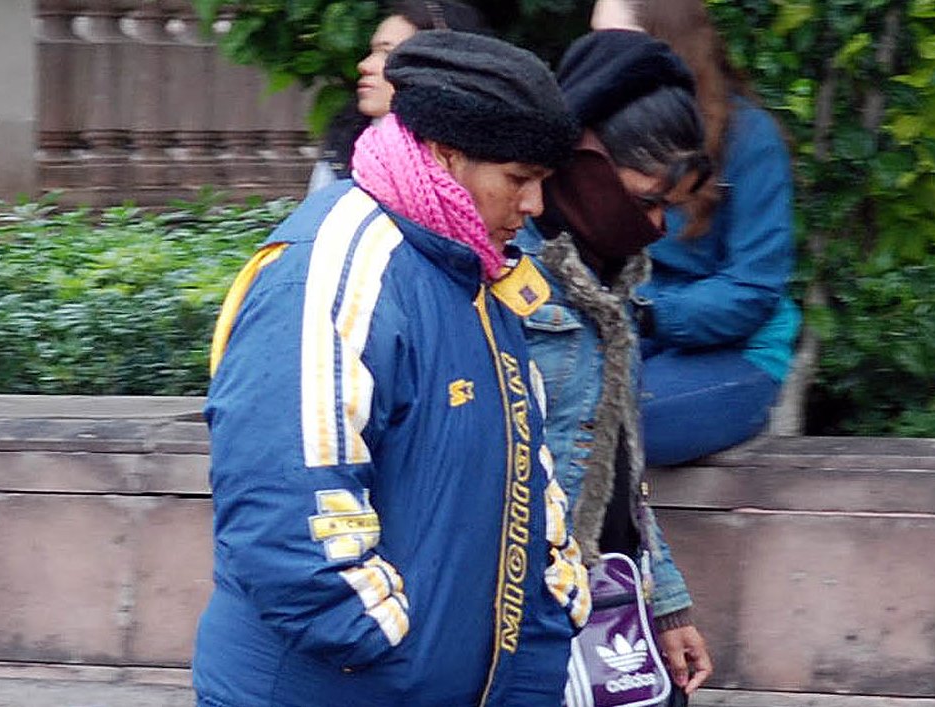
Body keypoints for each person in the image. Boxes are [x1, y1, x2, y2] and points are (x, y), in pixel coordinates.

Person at [194, 30, 590, 707]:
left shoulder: (472, 266)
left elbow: (527, 469)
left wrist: (551, 613)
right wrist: (383, 643)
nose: (534, 207)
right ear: (445, 154)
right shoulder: (331, 269)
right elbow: (284, 501)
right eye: (519, 179)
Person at [515, 30, 714, 701]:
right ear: (585, 160)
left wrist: (668, 606)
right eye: (645, 199)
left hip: (612, 608)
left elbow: (620, 468)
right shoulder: (503, 270)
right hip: (528, 618)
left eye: (668, 207)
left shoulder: (612, 278)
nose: (656, 226)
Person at [592, 0, 802, 465]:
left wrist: (645, 311)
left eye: (614, 42)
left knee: (601, 422)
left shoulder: (750, 138)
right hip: (629, 339)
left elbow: (752, 289)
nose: (597, 58)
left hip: (736, 351)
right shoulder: (594, 133)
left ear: (666, 46)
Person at [307, 0, 488, 193]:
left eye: (388, 53)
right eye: (373, 52)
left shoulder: (486, 160)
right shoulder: (343, 149)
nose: (364, 65)